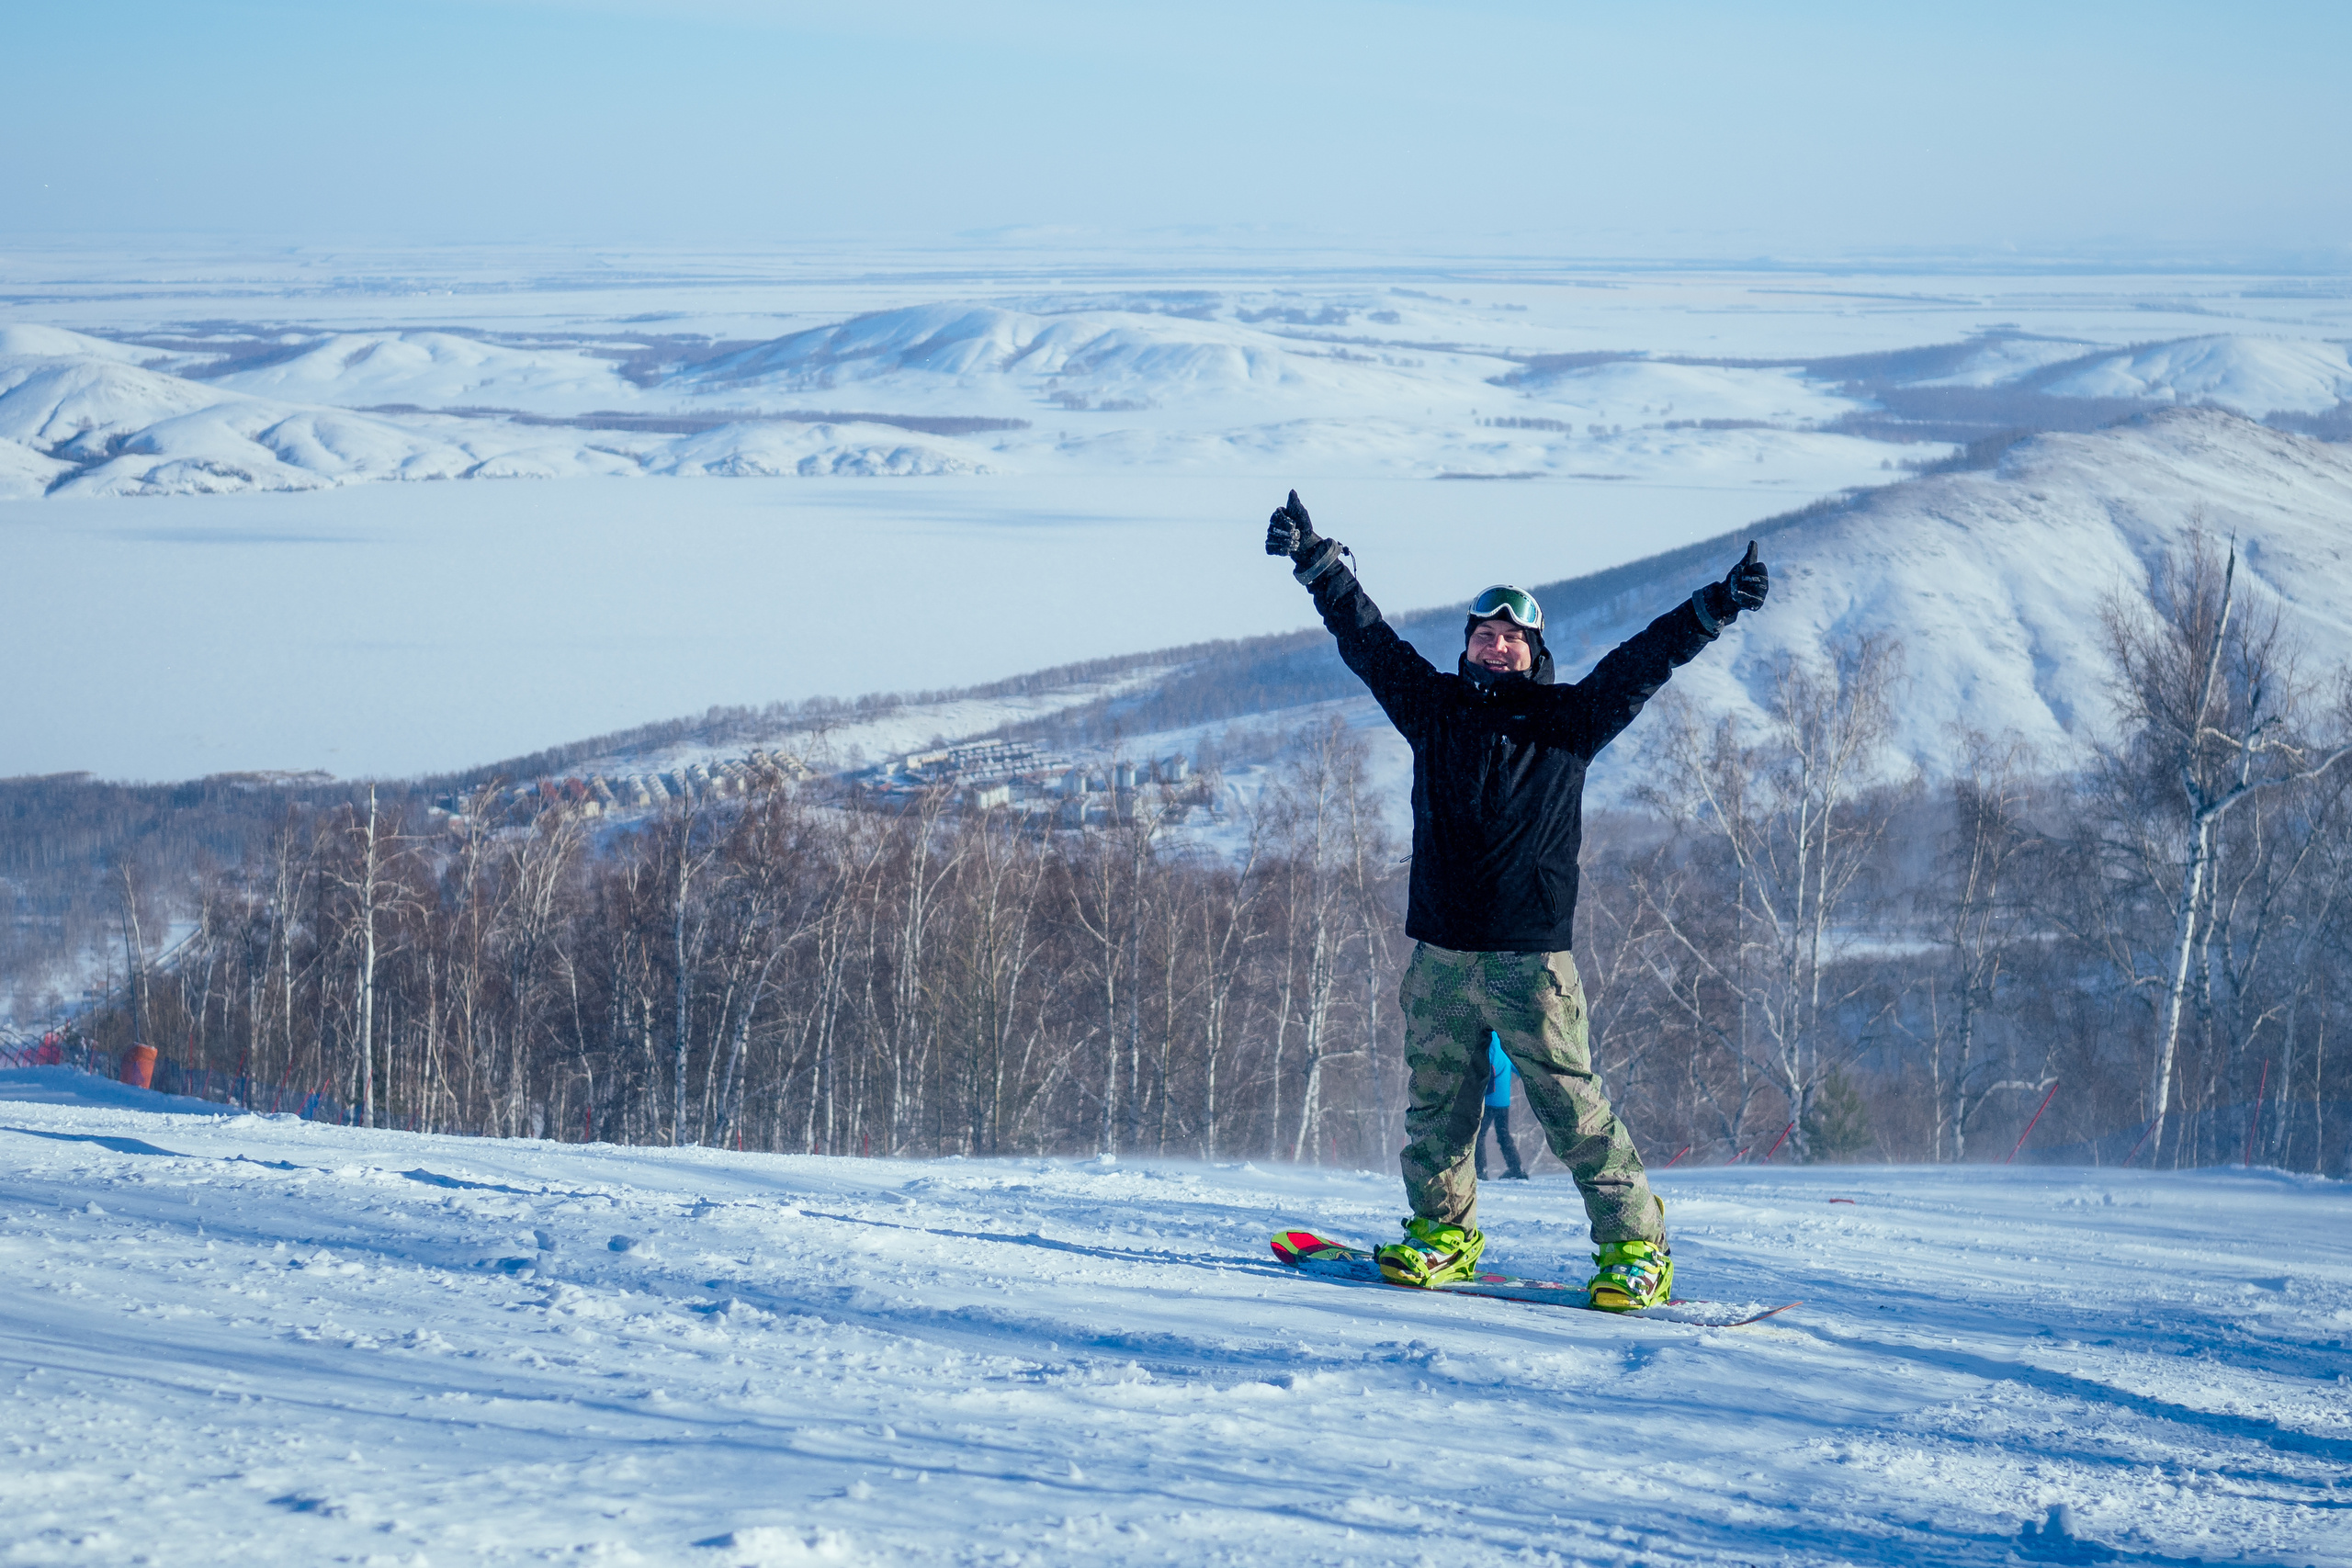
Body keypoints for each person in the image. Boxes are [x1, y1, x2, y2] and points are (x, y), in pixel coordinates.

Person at [1263, 491, 1768, 1310]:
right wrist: (1315, 560)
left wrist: (1716, 606)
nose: (1496, 647)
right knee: (1437, 1110)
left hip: (1530, 960)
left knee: (1574, 1109)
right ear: (1467, 645)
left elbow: (1646, 657)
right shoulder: (1433, 710)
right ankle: (1442, 1234)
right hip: (1441, 955)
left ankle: (1638, 1250)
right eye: (1484, 635)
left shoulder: (1570, 720)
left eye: (1512, 638)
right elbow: (1367, 639)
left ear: (1535, 652)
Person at [1475, 1033, 1528, 1182]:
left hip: (1490, 1098)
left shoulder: (1491, 1047)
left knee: (1479, 1134)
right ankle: (1516, 1168)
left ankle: (1480, 1170)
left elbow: (1487, 1069)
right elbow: (1517, 1069)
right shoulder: (1505, 1048)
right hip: (1504, 1100)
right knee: (1504, 1135)